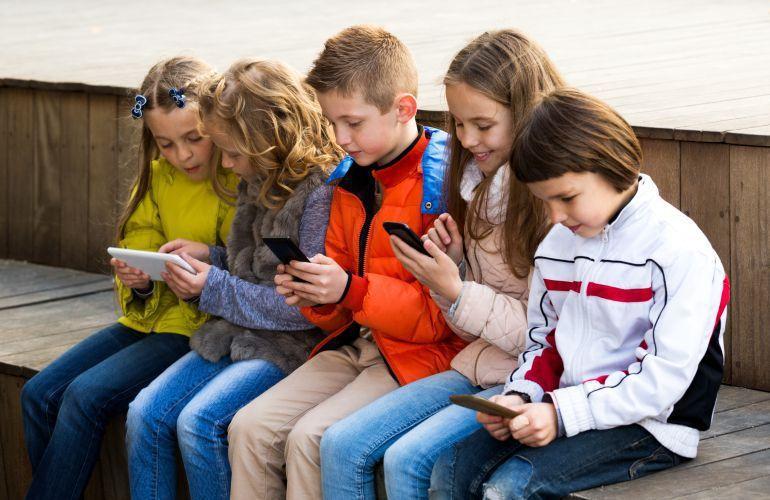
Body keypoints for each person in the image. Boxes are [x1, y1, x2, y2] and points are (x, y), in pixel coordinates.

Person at [431, 88, 730, 499]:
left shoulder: (679, 251)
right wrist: (520, 397)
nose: (555, 216)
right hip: (565, 406)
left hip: (651, 426)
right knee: (449, 470)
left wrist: (560, 413)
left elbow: (660, 382)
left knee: (509, 488)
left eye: (566, 198)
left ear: (611, 166)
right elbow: (544, 343)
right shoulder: (557, 246)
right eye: (545, 201)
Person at [319, 29, 564, 500]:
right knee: (341, 445)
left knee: (405, 460)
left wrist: (456, 290)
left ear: (527, 114)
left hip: (529, 379)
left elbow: (549, 336)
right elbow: (470, 319)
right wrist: (453, 272)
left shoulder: (554, 203)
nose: (466, 139)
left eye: (483, 125)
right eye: (459, 124)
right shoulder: (473, 184)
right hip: (479, 361)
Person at [226, 25, 467, 500]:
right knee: (249, 427)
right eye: (332, 122)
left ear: (404, 109)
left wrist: (349, 291)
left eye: (353, 123)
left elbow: (442, 316)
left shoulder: (440, 188)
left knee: (310, 439)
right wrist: (314, 294)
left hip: (419, 358)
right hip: (356, 344)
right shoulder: (348, 181)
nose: (340, 138)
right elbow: (339, 308)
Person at [20, 56, 238, 500]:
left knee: (84, 396)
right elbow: (141, 241)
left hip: (198, 328)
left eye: (194, 139)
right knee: (38, 394)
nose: (183, 155)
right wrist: (137, 279)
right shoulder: (157, 177)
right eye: (166, 143)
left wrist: (206, 263)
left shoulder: (236, 176)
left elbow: (247, 264)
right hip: (148, 318)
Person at [125, 58, 342, 500]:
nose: (225, 162)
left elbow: (299, 309)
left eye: (233, 153)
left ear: (268, 139)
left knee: (199, 422)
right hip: (235, 331)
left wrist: (212, 287)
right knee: (145, 412)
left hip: (292, 346)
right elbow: (253, 270)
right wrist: (211, 258)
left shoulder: (319, 193)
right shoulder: (257, 176)